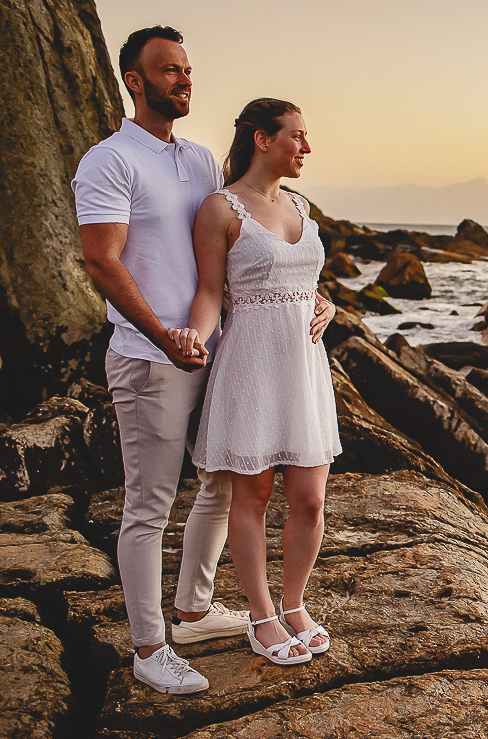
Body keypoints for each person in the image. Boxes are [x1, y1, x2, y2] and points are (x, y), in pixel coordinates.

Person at [73, 27, 335, 693]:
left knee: (223, 485)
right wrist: (165, 335)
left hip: (220, 351)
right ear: (135, 81)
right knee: (149, 504)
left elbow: (248, 247)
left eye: (187, 70)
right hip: (150, 354)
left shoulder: (196, 162)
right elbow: (101, 260)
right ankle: (149, 648)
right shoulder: (108, 160)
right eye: (167, 71)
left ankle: (192, 608)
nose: (183, 80)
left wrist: (312, 295)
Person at [168, 97, 342, 665]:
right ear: (263, 139)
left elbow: (307, 280)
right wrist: (192, 336)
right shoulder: (219, 209)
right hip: (252, 364)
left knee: (310, 499)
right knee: (254, 493)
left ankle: (295, 604)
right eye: (297, 136)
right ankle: (261, 615)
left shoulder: (301, 205)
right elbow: (212, 293)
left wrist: (328, 305)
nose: (307, 148)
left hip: (305, 365)